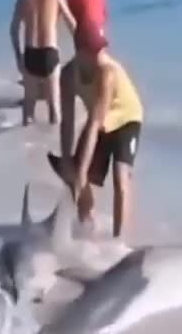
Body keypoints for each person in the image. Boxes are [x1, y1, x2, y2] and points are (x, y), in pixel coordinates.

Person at [48, 21, 144, 240]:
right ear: (80, 51)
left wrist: (81, 171)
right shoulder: (67, 76)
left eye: (103, 47)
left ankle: (120, 242)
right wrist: (67, 163)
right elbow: (68, 122)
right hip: (100, 120)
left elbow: (94, 123)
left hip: (127, 117)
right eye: (95, 49)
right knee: (74, 173)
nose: (102, 54)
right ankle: (87, 226)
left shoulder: (107, 73)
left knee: (120, 177)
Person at [9, 0, 76, 126]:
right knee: (54, 107)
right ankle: (52, 144)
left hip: (30, 54)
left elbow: (13, 30)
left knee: (29, 106)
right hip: (49, 54)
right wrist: (80, 53)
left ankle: (26, 143)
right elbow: (73, 26)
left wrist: (18, 57)